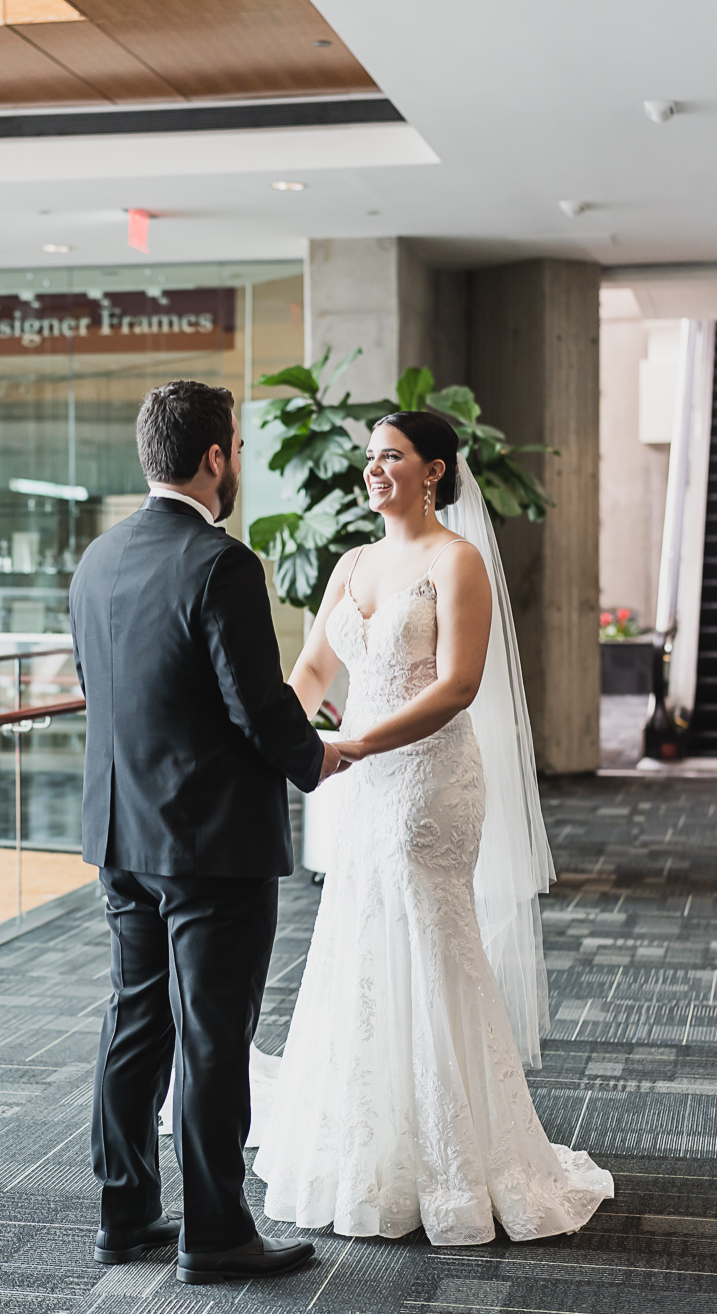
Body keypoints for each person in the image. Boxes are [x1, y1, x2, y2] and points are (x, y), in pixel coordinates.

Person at [252, 410, 615, 1244]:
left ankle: (457, 1164)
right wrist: (279, 741)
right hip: (359, 782)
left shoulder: (458, 562)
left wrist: (353, 745)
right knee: (362, 936)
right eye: (370, 458)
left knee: (426, 935)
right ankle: (371, 1146)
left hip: (427, 782)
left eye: (393, 457)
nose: (374, 470)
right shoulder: (351, 562)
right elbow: (311, 668)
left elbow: (456, 686)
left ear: (436, 472)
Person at [68, 379, 346, 1287]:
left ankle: (126, 1213)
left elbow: (118, 694)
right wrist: (316, 759)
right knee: (214, 1035)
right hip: (210, 844)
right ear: (217, 456)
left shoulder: (98, 559)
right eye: (235, 444)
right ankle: (217, 1235)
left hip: (122, 833)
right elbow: (254, 707)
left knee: (134, 1022)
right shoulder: (222, 563)